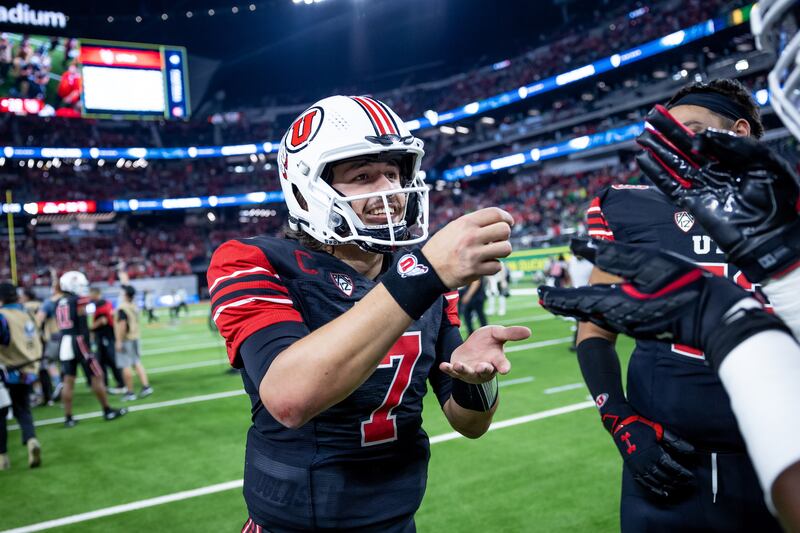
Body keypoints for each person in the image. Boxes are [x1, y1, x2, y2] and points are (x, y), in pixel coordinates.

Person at [208, 95, 529, 532]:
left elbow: (470, 424)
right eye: (363, 176)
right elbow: (289, 399)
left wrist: (479, 382)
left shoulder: (420, 274)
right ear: (305, 190)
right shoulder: (252, 261)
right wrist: (421, 275)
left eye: (393, 173)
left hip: (396, 521)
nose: (390, 191)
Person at [577, 79, 780, 532]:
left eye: (690, 128)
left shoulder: (786, 210)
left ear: (739, 131)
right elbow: (594, 333)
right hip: (665, 463)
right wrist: (619, 420)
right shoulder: (632, 207)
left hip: (776, 461)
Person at [55, 271, 126, 427]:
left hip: (65, 341)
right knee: (97, 375)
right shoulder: (78, 300)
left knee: (68, 381)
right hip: (79, 340)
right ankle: (107, 410)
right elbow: (88, 306)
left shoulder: (59, 301)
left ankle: (68, 418)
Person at [0, 281, 42, 469]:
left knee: (1, 414)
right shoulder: (28, 314)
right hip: (28, 369)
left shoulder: (2, 316)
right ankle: (31, 439)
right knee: (23, 409)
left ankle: (2, 456)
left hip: (6, 370)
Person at [114, 285, 152, 401]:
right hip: (135, 337)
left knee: (126, 366)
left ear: (126, 295)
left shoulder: (123, 308)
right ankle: (146, 387)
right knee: (137, 363)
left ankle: (130, 392)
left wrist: (119, 341)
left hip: (126, 339)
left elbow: (122, 325)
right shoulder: (134, 305)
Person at [89, 287, 125, 393]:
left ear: (96, 294)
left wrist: (91, 328)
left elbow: (103, 320)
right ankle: (107, 384)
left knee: (109, 360)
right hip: (107, 336)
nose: (89, 296)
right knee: (103, 361)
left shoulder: (100, 304)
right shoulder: (106, 302)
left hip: (105, 336)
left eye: (91, 294)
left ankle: (120, 383)